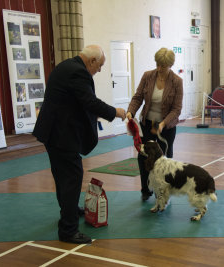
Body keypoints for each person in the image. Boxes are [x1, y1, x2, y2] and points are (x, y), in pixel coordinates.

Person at [33, 45, 126, 244]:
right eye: (99, 66)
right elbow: (90, 102)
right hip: (62, 135)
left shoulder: (66, 66)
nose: (99, 70)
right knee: (71, 179)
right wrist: (115, 112)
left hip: (54, 133)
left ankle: (70, 211)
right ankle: (68, 230)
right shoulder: (78, 72)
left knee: (62, 177)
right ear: (91, 61)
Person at [126, 48, 183, 201]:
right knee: (143, 155)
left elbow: (177, 109)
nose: (159, 68)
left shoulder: (177, 81)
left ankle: (164, 191)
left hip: (167, 127)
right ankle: (145, 189)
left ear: (170, 65)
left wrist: (163, 123)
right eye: (157, 64)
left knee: (165, 159)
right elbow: (138, 97)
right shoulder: (148, 76)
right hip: (147, 123)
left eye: (163, 66)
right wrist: (130, 112)